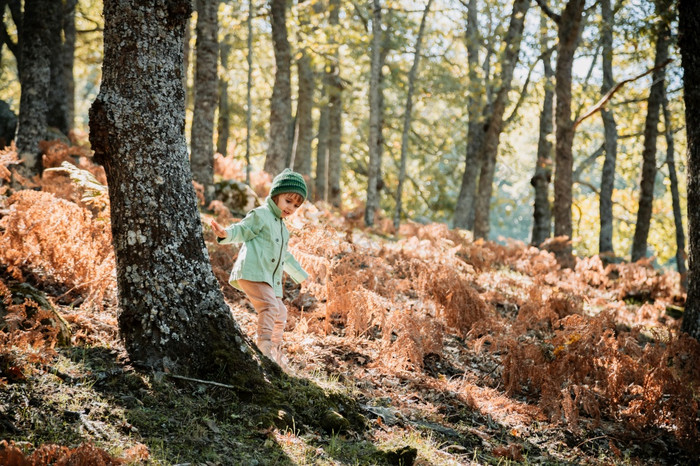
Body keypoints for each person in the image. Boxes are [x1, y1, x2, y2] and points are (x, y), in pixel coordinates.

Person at [211, 169, 309, 368]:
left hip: (270, 280)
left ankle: (275, 349)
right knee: (270, 307)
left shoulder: (282, 228)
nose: (291, 208)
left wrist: (300, 275)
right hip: (254, 273)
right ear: (275, 195)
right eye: (288, 201)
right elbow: (243, 229)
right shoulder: (261, 214)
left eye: (296, 205)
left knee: (280, 312)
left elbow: (285, 256)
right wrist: (225, 234)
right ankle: (263, 347)